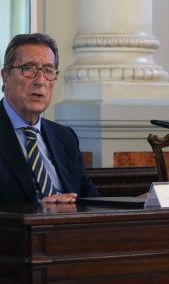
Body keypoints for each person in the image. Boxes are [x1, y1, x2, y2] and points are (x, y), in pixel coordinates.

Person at [0, 33, 98, 204]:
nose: (40, 80)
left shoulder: (65, 137)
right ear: (5, 76)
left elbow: (90, 200)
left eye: (48, 70)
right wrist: (39, 209)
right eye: (28, 68)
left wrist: (137, 205)